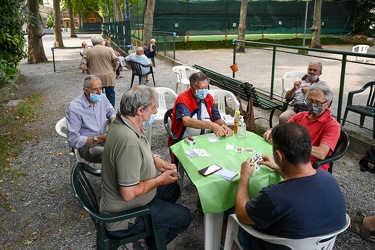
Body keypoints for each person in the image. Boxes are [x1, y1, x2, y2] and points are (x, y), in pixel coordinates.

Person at [100, 85, 191, 249]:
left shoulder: (124, 121)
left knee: (173, 187)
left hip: (130, 202)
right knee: (184, 216)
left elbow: (142, 146)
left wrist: (156, 159)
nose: (156, 111)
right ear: (141, 110)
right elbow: (129, 194)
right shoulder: (128, 142)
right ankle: (150, 244)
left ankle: (153, 230)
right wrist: (159, 180)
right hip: (125, 218)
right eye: (154, 107)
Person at [234, 122, 346, 250]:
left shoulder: (274, 196)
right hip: (321, 246)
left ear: (279, 156)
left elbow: (241, 215)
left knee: (229, 211)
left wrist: (244, 177)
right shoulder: (329, 179)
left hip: (272, 245)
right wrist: (278, 168)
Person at [264, 85, 340, 171]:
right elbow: (283, 128)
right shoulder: (301, 116)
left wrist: (292, 145)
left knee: (270, 166)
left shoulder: (332, 126)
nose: (313, 105)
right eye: (310, 100)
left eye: (318, 103)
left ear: (328, 103)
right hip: (292, 158)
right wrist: (273, 131)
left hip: (311, 166)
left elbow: (321, 153)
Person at [168, 72, 232, 148]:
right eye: (201, 88)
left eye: (206, 88)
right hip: (186, 139)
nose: (204, 91)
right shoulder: (183, 99)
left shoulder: (208, 98)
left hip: (207, 138)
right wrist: (211, 125)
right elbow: (186, 121)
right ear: (191, 86)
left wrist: (224, 126)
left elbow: (217, 119)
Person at [66, 75, 116, 163]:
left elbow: (111, 112)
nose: (99, 92)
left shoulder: (102, 98)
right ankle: (112, 176)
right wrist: (99, 138)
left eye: (100, 88)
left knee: (127, 147)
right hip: (87, 146)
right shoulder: (75, 108)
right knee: (111, 154)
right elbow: (73, 140)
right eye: (95, 89)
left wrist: (113, 121)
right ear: (85, 90)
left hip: (104, 139)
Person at [80, 35, 119, 107]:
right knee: (110, 95)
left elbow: (82, 66)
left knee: (96, 95)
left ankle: (98, 110)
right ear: (102, 42)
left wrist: (88, 70)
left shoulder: (88, 52)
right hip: (108, 76)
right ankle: (111, 112)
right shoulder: (108, 50)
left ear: (92, 43)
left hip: (94, 77)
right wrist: (114, 70)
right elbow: (117, 61)